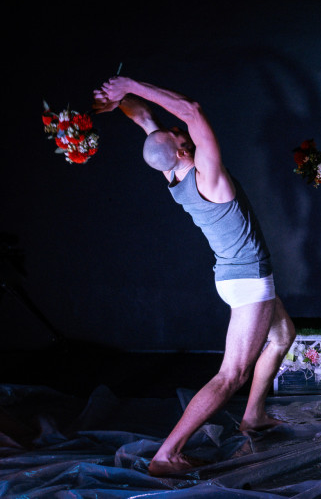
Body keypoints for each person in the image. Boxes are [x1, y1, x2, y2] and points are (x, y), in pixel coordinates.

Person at [92, 76, 296, 476]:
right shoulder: (209, 177)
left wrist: (118, 100)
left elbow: (145, 118)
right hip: (248, 281)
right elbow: (192, 109)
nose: (180, 128)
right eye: (178, 132)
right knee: (232, 373)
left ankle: (253, 415)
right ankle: (168, 454)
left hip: (234, 276)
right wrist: (128, 82)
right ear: (183, 149)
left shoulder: (172, 173)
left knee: (283, 334)